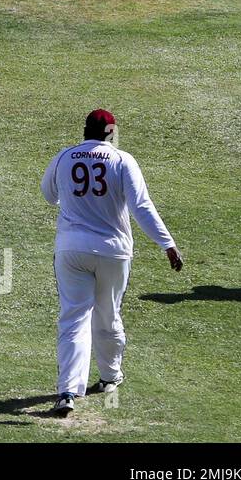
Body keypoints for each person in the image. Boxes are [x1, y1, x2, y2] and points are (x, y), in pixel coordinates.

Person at [41, 110, 184, 417]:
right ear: (110, 133)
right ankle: (110, 376)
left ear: (84, 130)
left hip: (72, 250)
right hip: (114, 252)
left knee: (73, 320)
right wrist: (167, 244)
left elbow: (48, 195)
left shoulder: (65, 157)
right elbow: (141, 206)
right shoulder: (122, 160)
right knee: (108, 314)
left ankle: (67, 392)